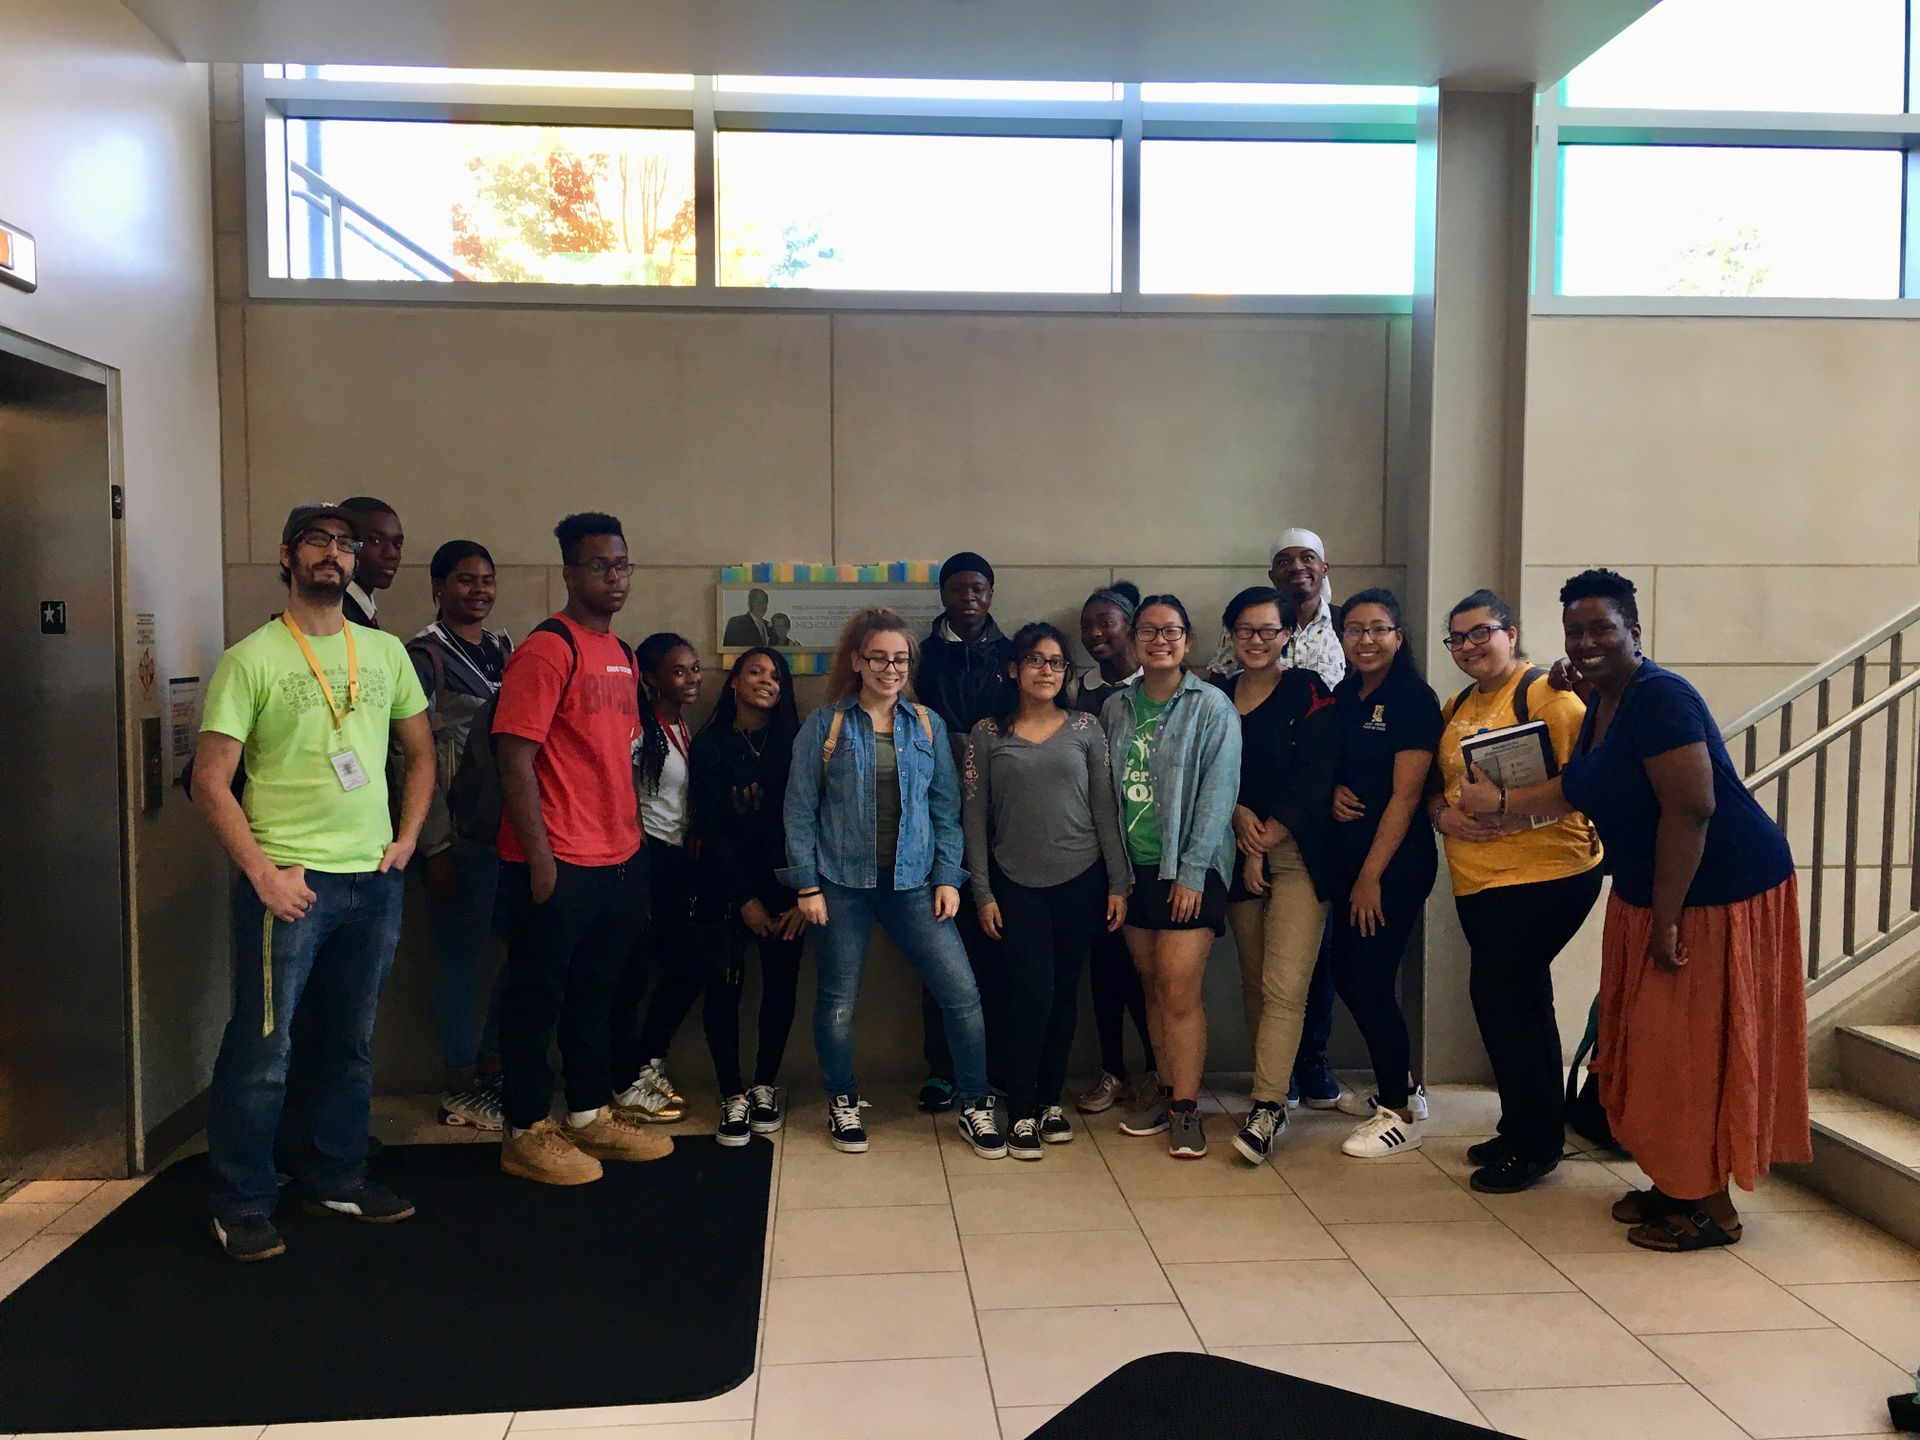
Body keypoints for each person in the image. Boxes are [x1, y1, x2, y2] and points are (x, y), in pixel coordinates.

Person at [1460, 569, 1808, 1250]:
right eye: (1575, 631)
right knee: (1649, 1048)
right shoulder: (1609, 699)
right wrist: (1575, 686)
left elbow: (1693, 807)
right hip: (1653, 891)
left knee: (1689, 1052)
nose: (1587, 642)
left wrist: (1667, 918)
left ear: (1635, 631)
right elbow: (1578, 787)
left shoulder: (1661, 697)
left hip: (1714, 893)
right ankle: (1677, 1183)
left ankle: (1712, 1209)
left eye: (1602, 629)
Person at [194, 503, 435, 1261]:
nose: (334, 555)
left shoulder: (385, 653)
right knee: (263, 1050)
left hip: (373, 882)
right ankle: (242, 1200)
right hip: (290, 888)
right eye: (318, 543)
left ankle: (337, 1173)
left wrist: (405, 840)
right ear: (287, 555)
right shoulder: (251, 658)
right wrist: (262, 875)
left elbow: (423, 754)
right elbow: (208, 781)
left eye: (345, 544)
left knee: (350, 1042)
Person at [781, 608, 1005, 1159]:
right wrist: (806, 886)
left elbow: (946, 809)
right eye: (878, 656)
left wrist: (950, 879)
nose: (890, 667)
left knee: (962, 995)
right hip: (840, 884)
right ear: (857, 661)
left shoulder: (924, 724)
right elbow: (799, 810)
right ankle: (843, 1101)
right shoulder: (826, 724)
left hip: (913, 883)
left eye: (899, 658)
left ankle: (975, 1104)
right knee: (837, 1000)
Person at [492, 513, 672, 1185]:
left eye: (622, 564)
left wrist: (630, 846)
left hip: (618, 858)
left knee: (597, 994)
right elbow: (514, 755)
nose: (613, 576)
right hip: (556, 859)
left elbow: (618, 756)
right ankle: (524, 1129)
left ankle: (589, 1114)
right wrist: (540, 860)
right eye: (599, 565)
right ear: (569, 572)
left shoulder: (622, 653)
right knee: (536, 997)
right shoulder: (547, 648)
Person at [1430, 589, 1604, 1193]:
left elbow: (1587, 781)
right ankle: (1520, 1124)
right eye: (1457, 639)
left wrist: (1504, 803)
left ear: (1510, 632)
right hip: (1478, 880)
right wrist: (1442, 815)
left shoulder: (1548, 696)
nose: (1470, 647)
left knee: (1516, 1003)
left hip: (1547, 875)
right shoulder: (1456, 705)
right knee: (1500, 1003)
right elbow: (1440, 786)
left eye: (1481, 633)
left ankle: (1537, 1145)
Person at [963, 623, 1130, 1159]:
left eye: (1056, 662)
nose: (1045, 671)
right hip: (1014, 883)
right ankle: (1023, 1108)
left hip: (1082, 879)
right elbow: (973, 818)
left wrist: (1119, 882)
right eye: (1034, 660)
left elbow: (1106, 808)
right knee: (1029, 993)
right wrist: (983, 892)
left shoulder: (1086, 727)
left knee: (1063, 995)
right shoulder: (987, 733)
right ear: (1014, 669)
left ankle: (1050, 1101)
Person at [1207, 528, 1346, 1111]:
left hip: (1296, 851)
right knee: (1254, 981)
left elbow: (1318, 773)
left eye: (1269, 630)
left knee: (1287, 986)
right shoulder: (1212, 696)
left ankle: (1268, 1104)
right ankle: (1277, 1081)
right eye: (1246, 631)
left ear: (1288, 635)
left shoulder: (1309, 689)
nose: (1257, 640)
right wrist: (1240, 819)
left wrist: (1271, 834)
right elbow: (1208, 773)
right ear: (1231, 636)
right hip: (1234, 849)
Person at [1100, 596, 1241, 1160]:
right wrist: (1117, 874)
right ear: (1134, 638)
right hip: (1134, 870)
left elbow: (1218, 793)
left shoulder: (1211, 706)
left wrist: (1192, 873)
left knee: (1180, 989)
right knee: (1153, 986)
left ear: (1188, 639)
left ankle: (1188, 1109)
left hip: (1189, 869)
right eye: (1149, 630)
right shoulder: (1114, 708)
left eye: (1172, 630)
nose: (1161, 640)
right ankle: (1164, 1090)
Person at [1327, 588, 1441, 1158]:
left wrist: (1372, 875)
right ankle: (1403, 1088)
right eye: (1354, 629)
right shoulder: (1346, 694)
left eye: (1378, 629)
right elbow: (1334, 765)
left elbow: (1406, 796)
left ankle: (1399, 1113)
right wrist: (1333, 792)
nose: (1365, 640)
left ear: (1399, 635)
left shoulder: (1413, 699)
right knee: (1353, 975)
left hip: (1393, 865)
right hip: (1350, 859)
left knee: (1367, 979)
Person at [406, 540, 514, 1130]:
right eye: (466, 580)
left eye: (488, 580)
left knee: (517, 953)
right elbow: (409, 757)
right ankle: (458, 1081)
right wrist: (435, 846)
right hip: (457, 838)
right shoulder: (423, 658)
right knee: (459, 962)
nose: (480, 591)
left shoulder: (504, 649)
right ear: (439, 587)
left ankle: (493, 1066)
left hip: (508, 834)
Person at [691, 647, 808, 1145]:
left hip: (787, 889)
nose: (766, 681)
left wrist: (805, 892)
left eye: (775, 675)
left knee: (780, 991)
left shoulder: (797, 744)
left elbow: (811, 819)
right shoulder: (711, 744)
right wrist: (744, 899)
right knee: (723, 990)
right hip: (726, 889)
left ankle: (764, 1086)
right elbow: (709, 829)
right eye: (755, 672)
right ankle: (732, 1092)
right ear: (734, 682)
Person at [914, 551, 1016, 1114]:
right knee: (940, 942)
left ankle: (994, 1064)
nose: (969, 598)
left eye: (979, 588)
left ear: (991, 594)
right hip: (935, 815)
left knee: (998, 943)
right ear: (944, 595)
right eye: (958, 589)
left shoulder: (1012, 656)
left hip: (1004, 816)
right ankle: (942, 1068)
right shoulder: (923, 657)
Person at [609, 633, 704, 1125]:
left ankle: (646, 1062)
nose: (690, 679)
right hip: (643, 861)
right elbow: (623, 796)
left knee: (687, 965)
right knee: (633, 973)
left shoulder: (680, 727)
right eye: (678, 671)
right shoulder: (638, 731)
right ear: (649, 678)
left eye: (693, 669)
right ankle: (625, 1081)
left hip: (675, 863)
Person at [1072, 582, 1158, 1115]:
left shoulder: (1159, 685)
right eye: (1088, 625)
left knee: (1148, 972)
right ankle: (1112, 1070)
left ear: (1132, 626)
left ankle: (1157, 1069)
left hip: (1148, 850)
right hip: (1093, 852)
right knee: (1104, 968)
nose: (1097, 633)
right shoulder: (1076, 689)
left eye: (1107, 622)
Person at [337, 496, 404, 629]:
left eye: (397, 544)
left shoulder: (361, 609)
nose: (392, 554)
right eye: (375, 540)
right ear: (345, 543)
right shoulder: (336, 614)